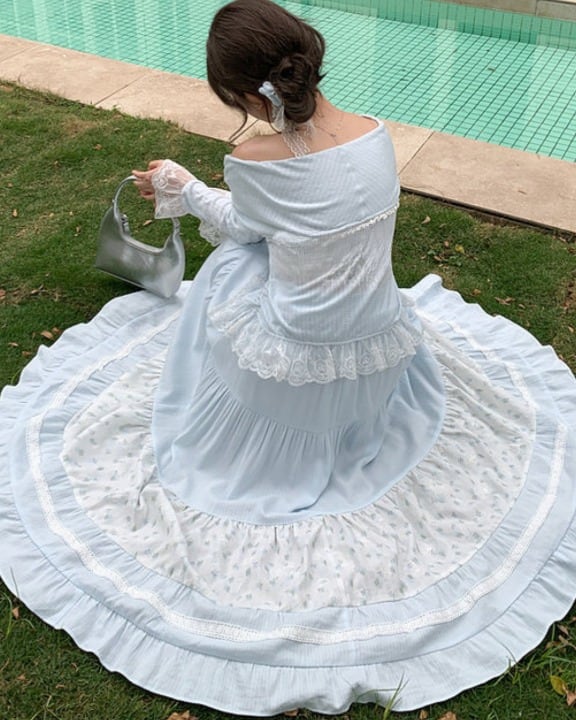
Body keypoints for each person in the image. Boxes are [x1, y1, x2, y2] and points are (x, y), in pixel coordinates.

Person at [0, 0, 575, 714]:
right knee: (263, 266)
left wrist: (183, 188)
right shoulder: (376, 135)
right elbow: (292, 219)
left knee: (228, 270)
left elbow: (245, 230)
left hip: (292, 368)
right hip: (379, 346)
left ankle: (233, 416)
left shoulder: (255, 160)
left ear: (246, 93)